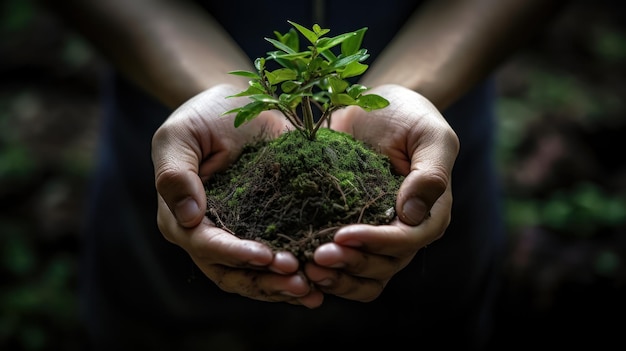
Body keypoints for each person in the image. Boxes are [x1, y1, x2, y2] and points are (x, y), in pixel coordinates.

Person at [43, 0, 566, 349]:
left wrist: (416, 90)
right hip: (183, 122)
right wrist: (210, 90)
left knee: (418, 308)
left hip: (428, 126)